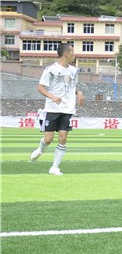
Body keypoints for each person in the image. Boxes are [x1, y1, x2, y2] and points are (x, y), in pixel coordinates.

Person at [30, 43, 85, 175]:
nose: (74, 55)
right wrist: (52, 97)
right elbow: (40, 88)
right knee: (48, 139)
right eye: (72, 52)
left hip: (67, 109)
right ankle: (41, 149)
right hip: (52, 109)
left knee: (63, 137)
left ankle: (54, 167)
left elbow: (71, 86)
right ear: (66, 53)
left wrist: (78, 92)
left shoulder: (73, 70)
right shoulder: (50, 70)